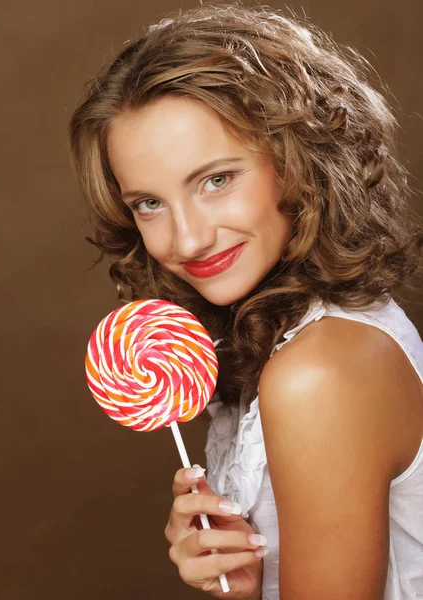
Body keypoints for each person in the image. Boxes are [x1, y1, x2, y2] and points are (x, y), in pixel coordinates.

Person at [68, 3, 423, 598]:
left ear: (298, 162)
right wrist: (245, 585)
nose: (186, 239)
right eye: (148, 202)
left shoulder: (318, 373)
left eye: (216, 180)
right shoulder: (292, 336)